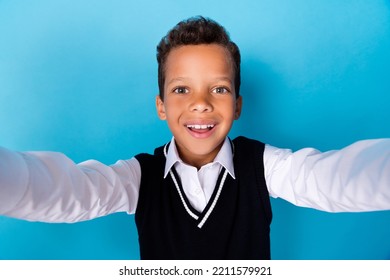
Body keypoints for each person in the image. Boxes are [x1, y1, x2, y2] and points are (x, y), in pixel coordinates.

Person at [0, 16, 389, 259]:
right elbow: (67, 190)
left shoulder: (267, 168)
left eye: (218, 89)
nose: (201, 104)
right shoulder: (138, 178)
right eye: (182, 90)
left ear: (237, 105)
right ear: (161, 106)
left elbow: (339, 178)